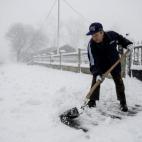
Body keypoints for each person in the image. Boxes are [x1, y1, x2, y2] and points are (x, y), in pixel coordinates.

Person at [86, 22, 133, 112]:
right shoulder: (91, 45)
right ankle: (92, 101)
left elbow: (121, 39)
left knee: (118, 81)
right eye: (92, 35)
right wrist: (97, 73)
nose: (94, 37)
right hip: (101, 65)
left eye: (95, 35)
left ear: (102, 32)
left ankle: (123, 102)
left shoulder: (112, 35)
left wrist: (128, 44)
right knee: (96, 79)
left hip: (114, 62)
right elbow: (93, 62)